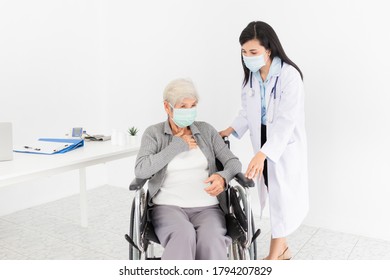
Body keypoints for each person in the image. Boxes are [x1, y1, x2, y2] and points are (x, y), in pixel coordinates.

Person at [220, 21, 309, 260]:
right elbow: (247, 111)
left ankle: (274, 256)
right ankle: (284, 250)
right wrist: (229, 129)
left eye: (253, 52)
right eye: (244, 52)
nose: (247, 57)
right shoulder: (251, 77)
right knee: (274, 195)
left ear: (268, 49)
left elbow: (286, 122)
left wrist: (263, 154)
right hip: (263, 140)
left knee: (281, 200)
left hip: (282, 147)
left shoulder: (290, 76)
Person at [134, 78, 242, 260]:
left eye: (193, 105)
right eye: (183, 106)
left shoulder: (206, 131)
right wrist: (176, 146)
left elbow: (233, 163)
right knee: (184, 235)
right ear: (167, 108)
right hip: (168, 207)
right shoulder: (153, 134)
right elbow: (141, 170)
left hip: (208, 208)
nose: (189, 111)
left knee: (211, 240)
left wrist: (223, 177)